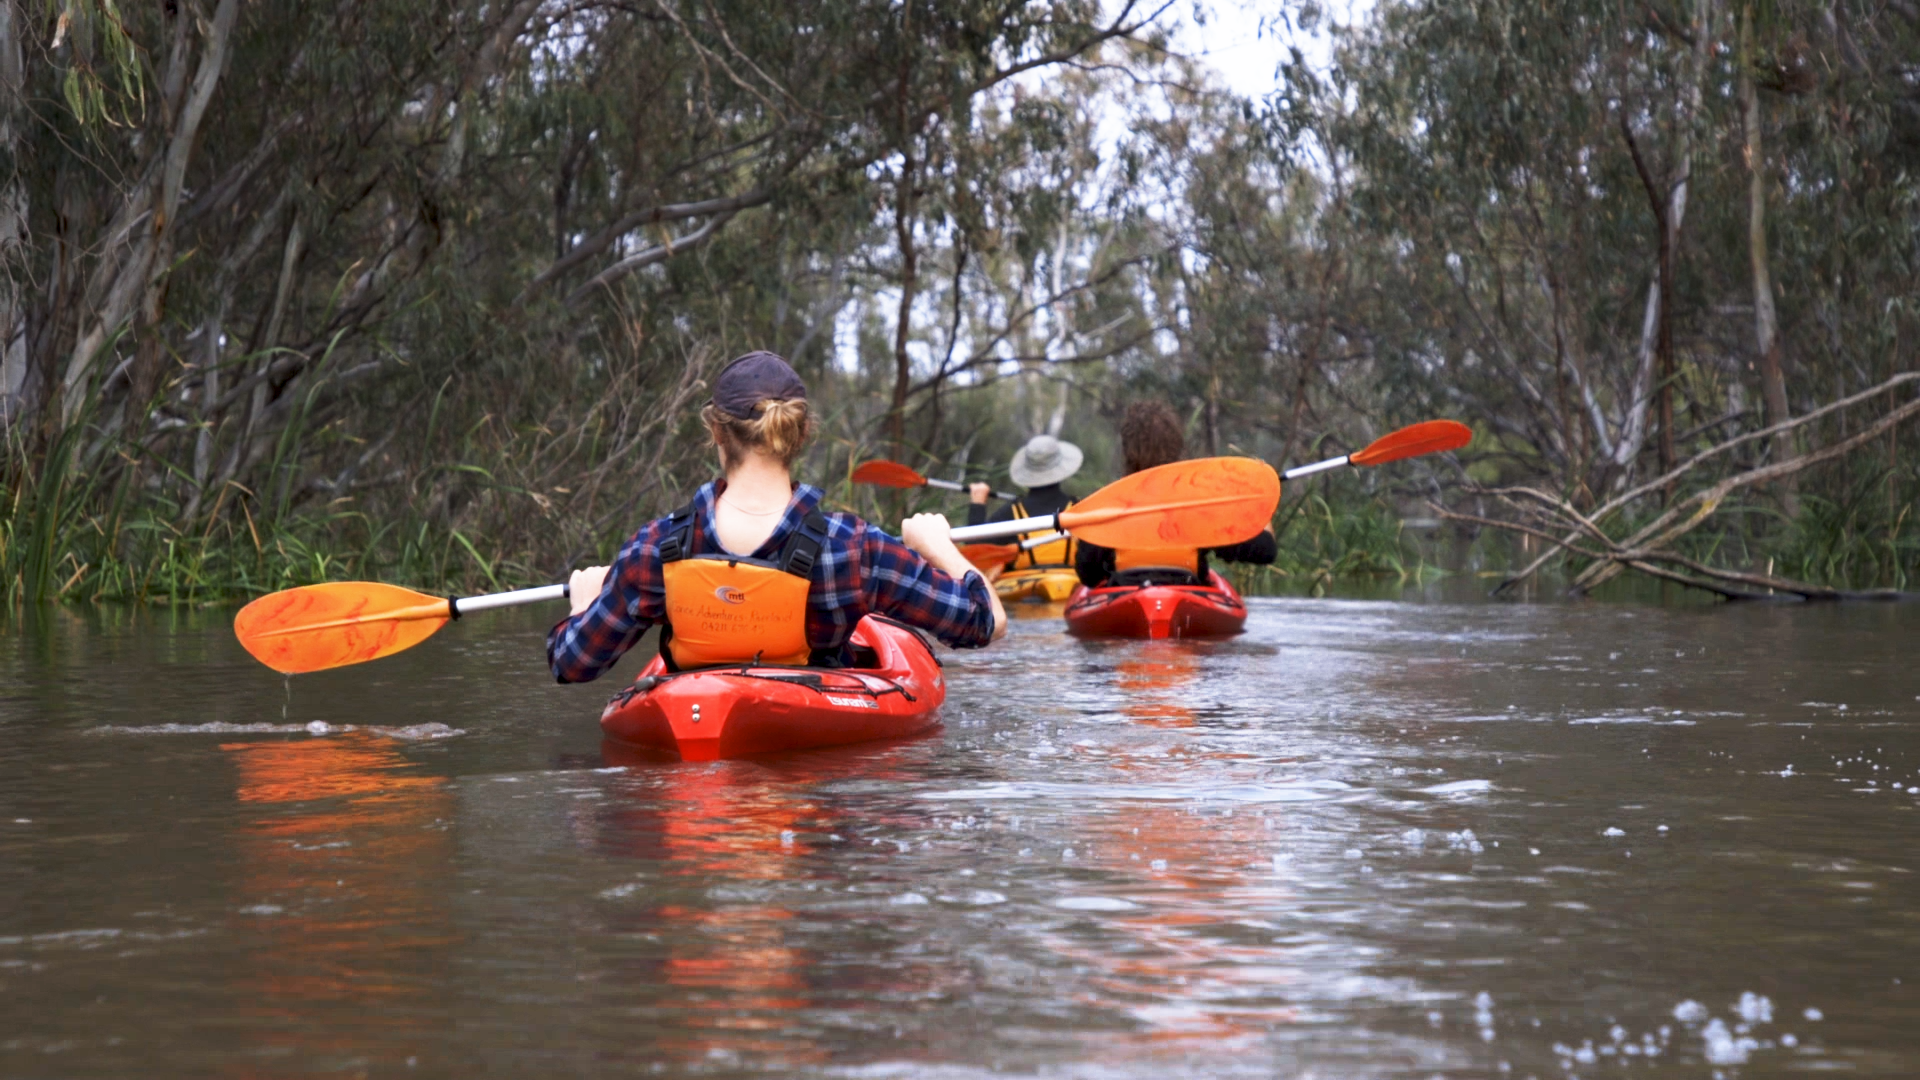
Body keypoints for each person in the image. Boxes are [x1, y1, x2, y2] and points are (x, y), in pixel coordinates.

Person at [548, 351, 1006, 683]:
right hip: (814, 767)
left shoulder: (654, 549)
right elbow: (985, 623)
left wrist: (584, 605)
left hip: (697, 754)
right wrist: (938, 544)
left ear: (715, 431)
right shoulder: (854, 548)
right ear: (803, 431)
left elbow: (571, 663)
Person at [1075, 401, 1277, 588]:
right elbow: (1266, 550)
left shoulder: (1107, 506)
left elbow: (1088, 576)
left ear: (1127, 452)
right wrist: (1257, 498)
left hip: (1127, 592)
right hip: (1185, 593)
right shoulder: (1197, 505)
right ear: (1177, 448)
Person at [966, 433, 1083, 580]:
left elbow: (975, 546)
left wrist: (978, 502)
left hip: (1024, 594)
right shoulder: (1080, 509)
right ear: (1061, 469)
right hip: (1072, 588)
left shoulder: (1011, 513)